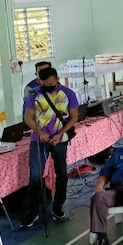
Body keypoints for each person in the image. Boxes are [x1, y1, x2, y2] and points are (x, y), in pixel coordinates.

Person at [21, 67, 79, 227]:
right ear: (39, 81)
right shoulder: (33, 94)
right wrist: (39, 132)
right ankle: (32, 212)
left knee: (62, 172)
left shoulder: (68, 93)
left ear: (57, 79)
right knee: (35, 175)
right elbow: (28, 118)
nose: (49, 87)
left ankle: (58, 206)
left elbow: (74, 117)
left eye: (52, 84)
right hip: (38, 140)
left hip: (60, 139)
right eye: (45, 85)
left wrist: (60, 134)